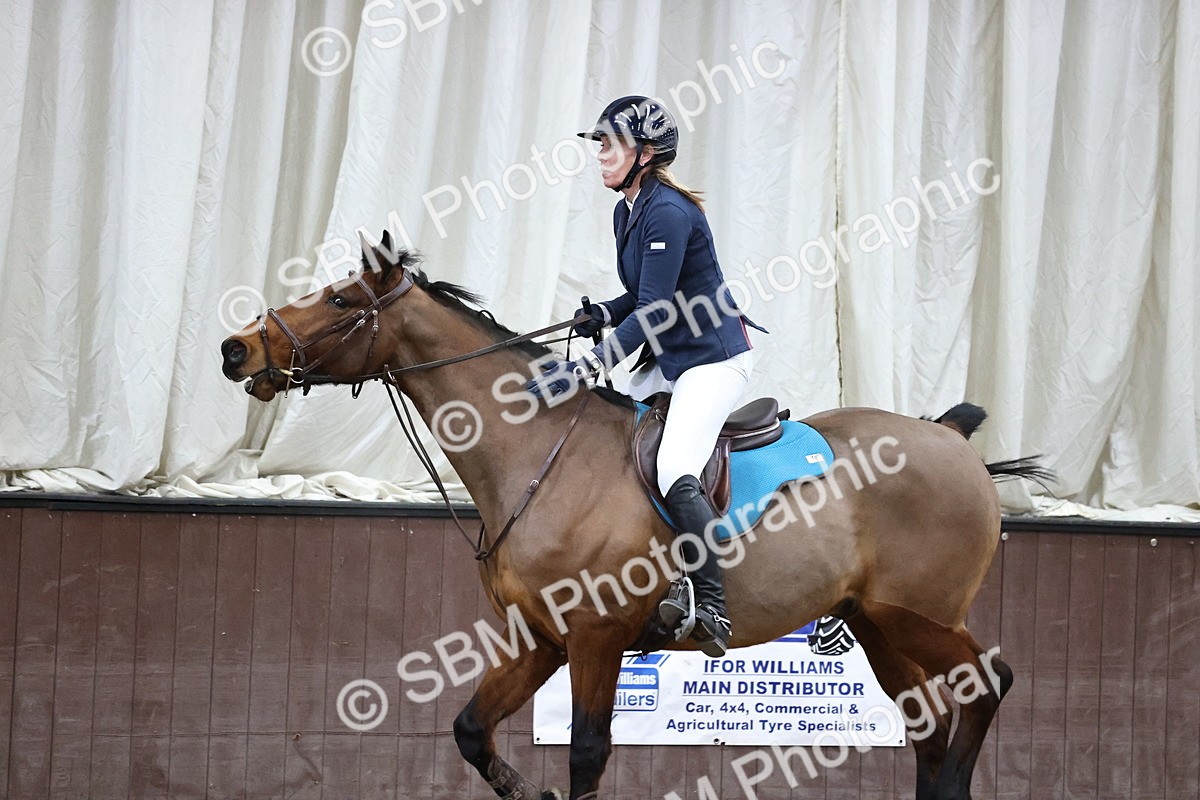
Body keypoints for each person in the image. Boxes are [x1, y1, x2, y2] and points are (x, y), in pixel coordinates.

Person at [526, 96, 767, 657]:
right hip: (668, 359)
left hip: (711, 360)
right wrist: (605, 314)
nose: (600, 155)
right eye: (599, 144)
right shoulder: (628, 210)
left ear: (646, 153)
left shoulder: (669, 211)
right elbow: (644, 296)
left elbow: (656, 312)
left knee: (676, 465)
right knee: (605, 435)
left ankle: (712, 605)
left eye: (610, 144)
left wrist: (591, 363)